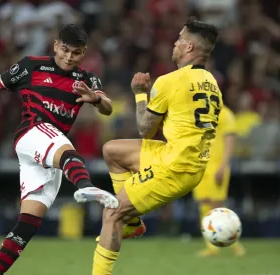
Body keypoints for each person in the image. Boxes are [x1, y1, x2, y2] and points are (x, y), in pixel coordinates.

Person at [0, 24, 119, 275]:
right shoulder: (31, 66)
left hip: (47, 154)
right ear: (56, 45)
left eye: (76, 53)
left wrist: (96, 99)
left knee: (28, 223)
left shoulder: (87, 80)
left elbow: (108, 107)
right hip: (31, 133)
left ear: (84, 53)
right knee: (69, 153)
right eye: (65, 50)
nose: (69, 57)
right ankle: (85, 187)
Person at [74, 18, 222, 275]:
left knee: (111, 213)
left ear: (188, 48)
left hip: (175, 167)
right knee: (112, 151)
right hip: (185, 159)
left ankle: (120, 227)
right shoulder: (212, 84)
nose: (174, 43)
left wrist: (140, 92)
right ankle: (131, 223)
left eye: (179, 39)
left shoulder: (170, 81)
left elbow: (145, 128)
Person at [192, 104, 245, 256]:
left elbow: (229, 141)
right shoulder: (199, 114)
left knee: (218, 206)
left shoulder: (225, 114)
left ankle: (235, 245)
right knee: (204, 204)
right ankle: (212, 247)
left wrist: (224, 165)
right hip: (201, 165)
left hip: (217, 165)